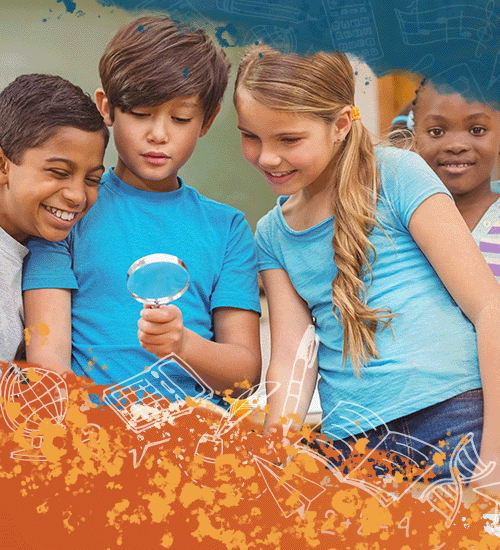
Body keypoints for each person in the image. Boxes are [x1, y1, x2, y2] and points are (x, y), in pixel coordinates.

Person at [233, 45, 500, 482]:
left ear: (340, 125)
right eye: (251, 136)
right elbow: (292, 359)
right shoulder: (271, 234)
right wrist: (273, 461)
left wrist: (494, 463)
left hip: (454, 424)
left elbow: (489, 309)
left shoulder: (397, 174)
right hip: (354, 450)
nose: (266, 157)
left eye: (288, 139)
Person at [22, 16, 261, 402]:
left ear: (208, 120)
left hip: (198, 448)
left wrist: (182, 344)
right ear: (107, 107)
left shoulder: (227, 228)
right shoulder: (67, 213)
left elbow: (244, 378)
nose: (158, 134)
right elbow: (48, 362)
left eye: (180, 118)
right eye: (140, 113)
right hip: (96, 443)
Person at [0, 73, 108, 362]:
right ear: (3, 165)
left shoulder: (36, 246)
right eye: (58, 172)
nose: (77, 196)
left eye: (92, 179)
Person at [412, 80, 500, 283]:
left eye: (477, 130)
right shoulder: (396, 224)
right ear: (414, 139)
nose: (456, 145)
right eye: (437, 132)